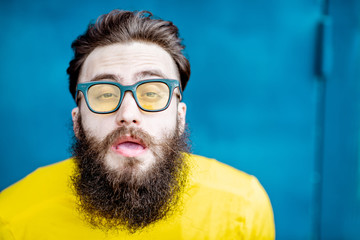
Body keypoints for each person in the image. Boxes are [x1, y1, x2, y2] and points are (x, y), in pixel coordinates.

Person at [0, 10, 275, 239]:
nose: (128, 114)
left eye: (152, 92)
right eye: (105, 94)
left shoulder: (242, 208)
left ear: (180, 117)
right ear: (77, 121)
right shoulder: (12, 216)